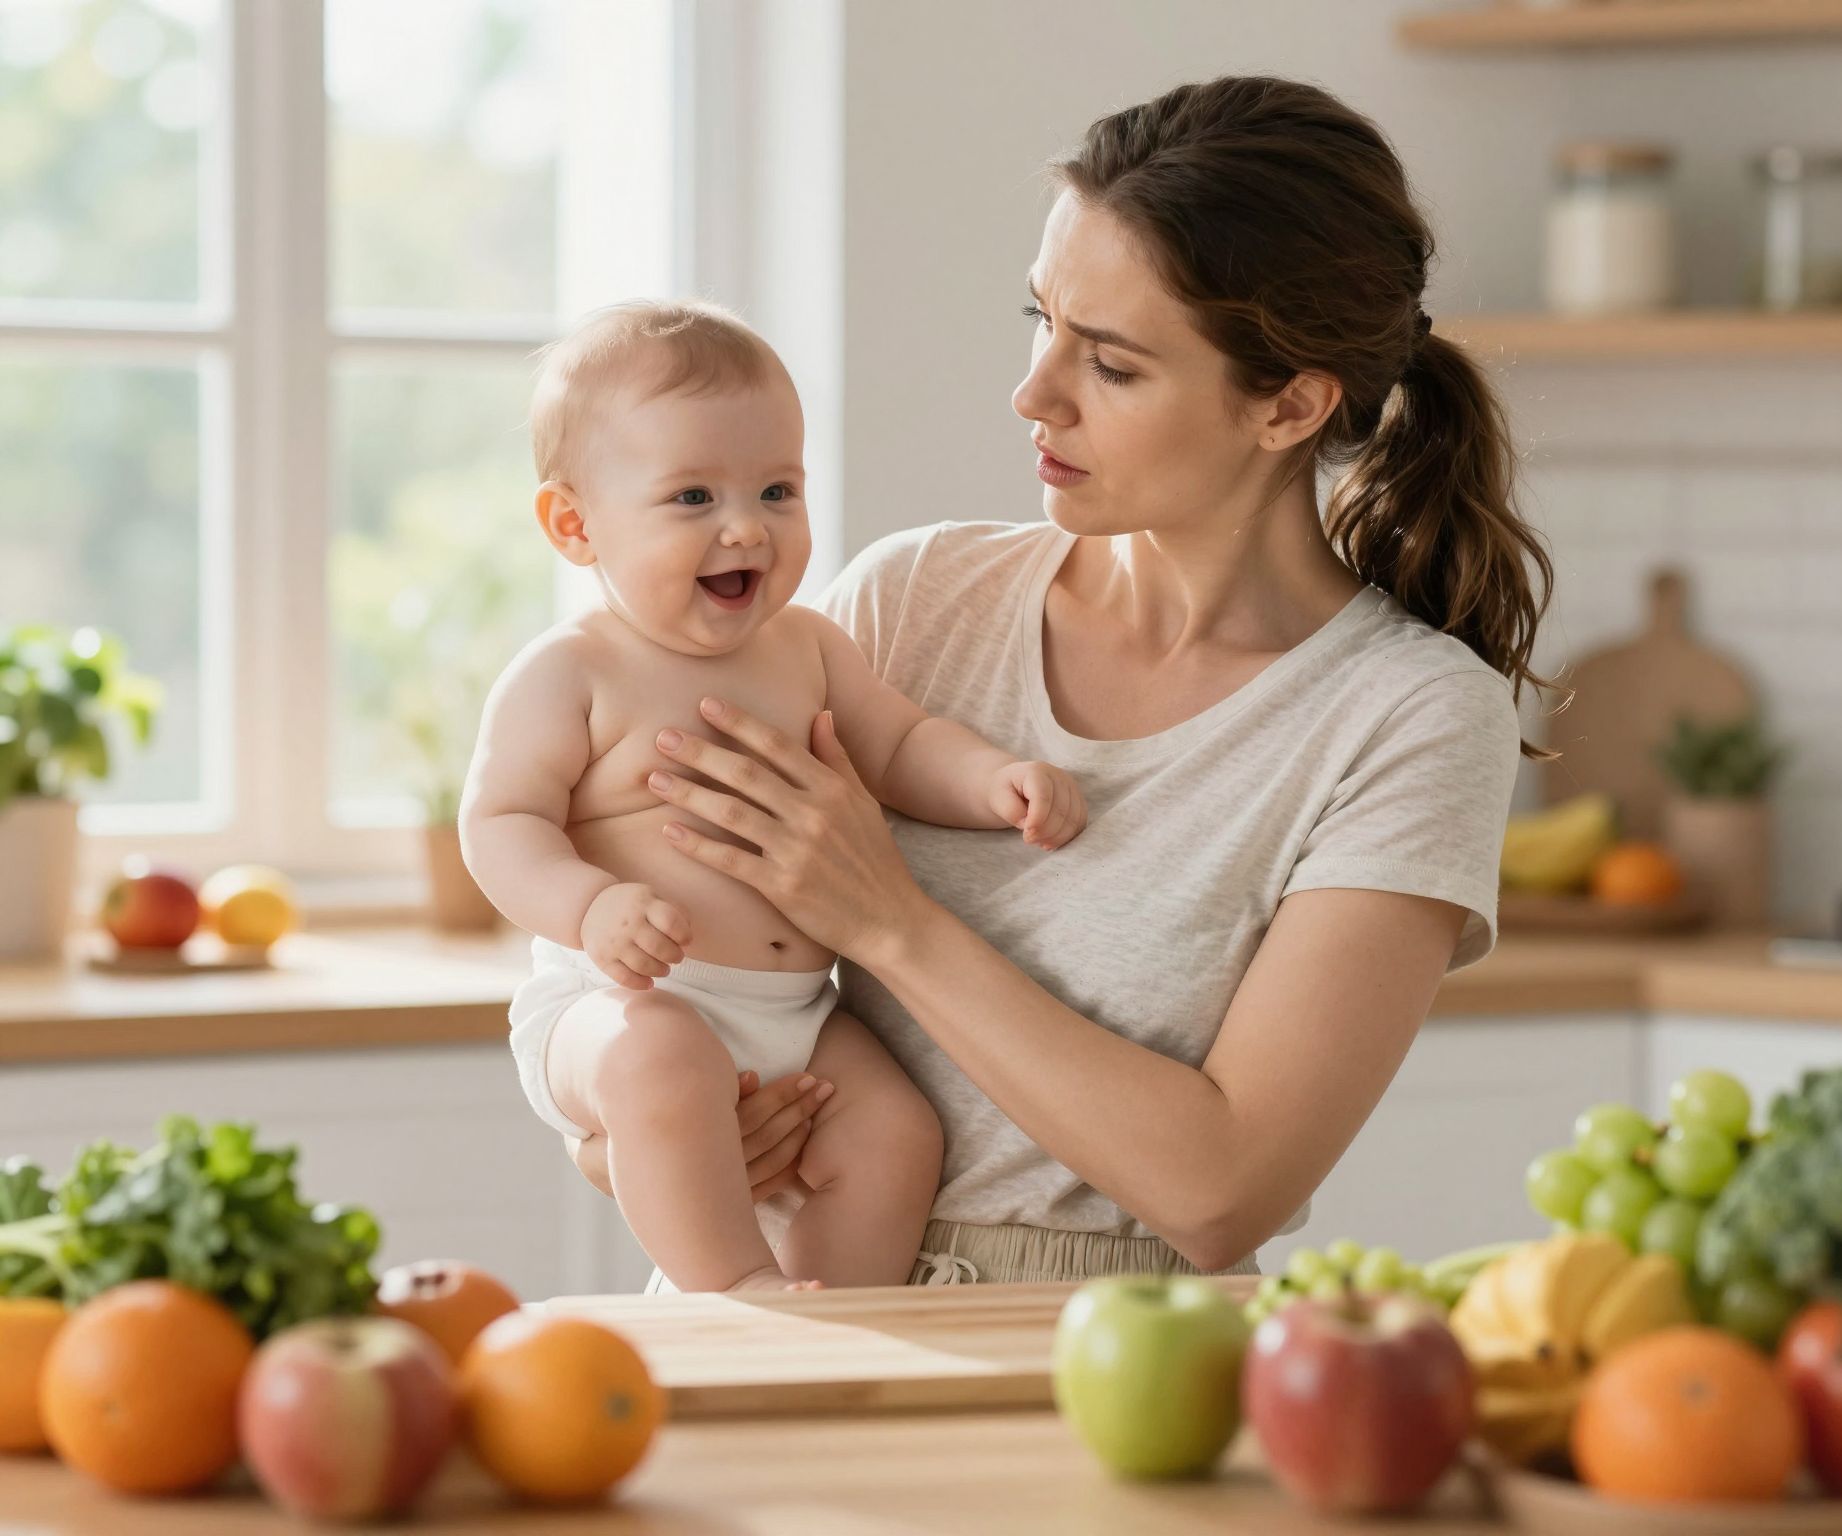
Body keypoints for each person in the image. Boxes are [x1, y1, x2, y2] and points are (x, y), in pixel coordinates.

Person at [590, 74, 1557, 1286]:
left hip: (1113, 1374)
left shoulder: (1405, 719)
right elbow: (643, 928)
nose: (1031, 393)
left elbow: (1220, 1188)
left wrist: (888, 919)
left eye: (1107, 364)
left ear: (1288, 405)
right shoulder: (911, 603)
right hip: (784, 1301)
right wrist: (642, 1123)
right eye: (1038, 319)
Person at [459, 300, 1088, 1292]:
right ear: (575, 525)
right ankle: (735, 1298)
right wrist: (591, 906)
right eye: (692, 498)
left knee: (894, 1130)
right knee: (660, 1066)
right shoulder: (569, 673)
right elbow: (498, 825)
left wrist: (989, 779)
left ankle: (841, 1314)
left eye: (776, 489)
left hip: (799, 1008)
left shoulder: (808, 646)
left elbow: (898, 743)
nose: (745, 526)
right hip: (621, 1004)